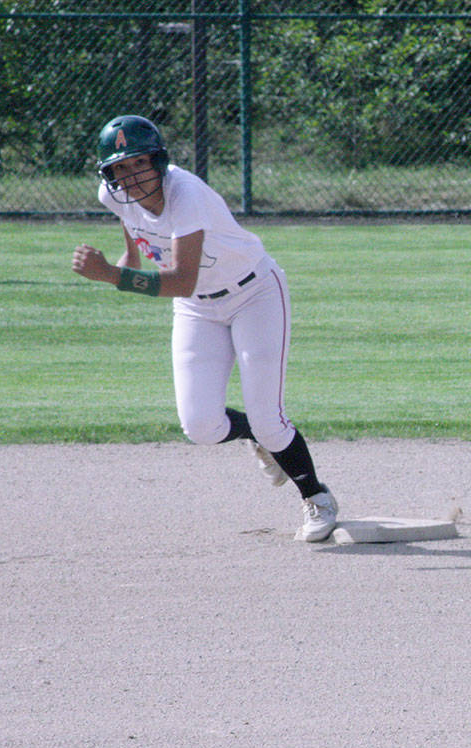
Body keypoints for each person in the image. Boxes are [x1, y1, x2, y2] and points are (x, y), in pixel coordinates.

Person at [70, 114, 338, 542]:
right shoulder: (112, 193)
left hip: (254, 295)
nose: (130, 176)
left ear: (158, 161)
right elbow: (132, 218)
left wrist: (111, 276)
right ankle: (254, 433)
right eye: (119, 168)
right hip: (197, 309)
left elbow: (181, 279)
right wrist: (130, 255)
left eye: (138, 163)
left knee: (271, 419)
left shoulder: (187, 193)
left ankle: (316, 496)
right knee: (201, 427)